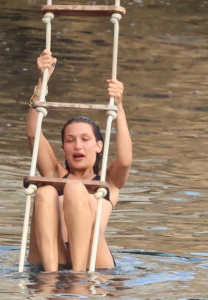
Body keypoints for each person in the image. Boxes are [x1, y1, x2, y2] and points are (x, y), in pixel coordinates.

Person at [26, 49, 132, 272]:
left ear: (98, 146)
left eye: (85, 139)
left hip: (93, 261)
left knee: (75, 189)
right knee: (45, 191)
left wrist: (119, 106)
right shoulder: (55, 174)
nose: (78, 146)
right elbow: (34, 134)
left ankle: (79, 281)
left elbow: (124, 160)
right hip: (52, 256)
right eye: (71, 140)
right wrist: (42, 82)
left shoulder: (109, 179)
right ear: (63, 148)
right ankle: (50, 277)